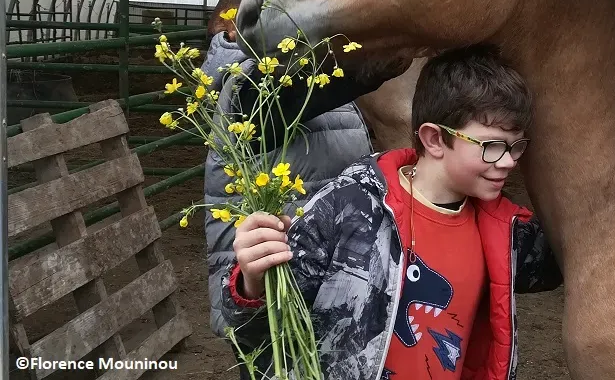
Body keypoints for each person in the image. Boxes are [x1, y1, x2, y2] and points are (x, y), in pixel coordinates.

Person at [222, 44, 563, 380]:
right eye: (492, 147)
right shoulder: (349, 207)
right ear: (434, 140)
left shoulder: (504, 231)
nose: (508, 163)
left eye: (516, 147)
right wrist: (252, 283)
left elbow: (566, 261)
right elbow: (265, 333)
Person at [202, 30, 412, 374]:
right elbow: (325, 83)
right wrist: (399, 37)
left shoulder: (306, 74)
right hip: (272, 290)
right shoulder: (247, 84)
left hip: (320, 277)